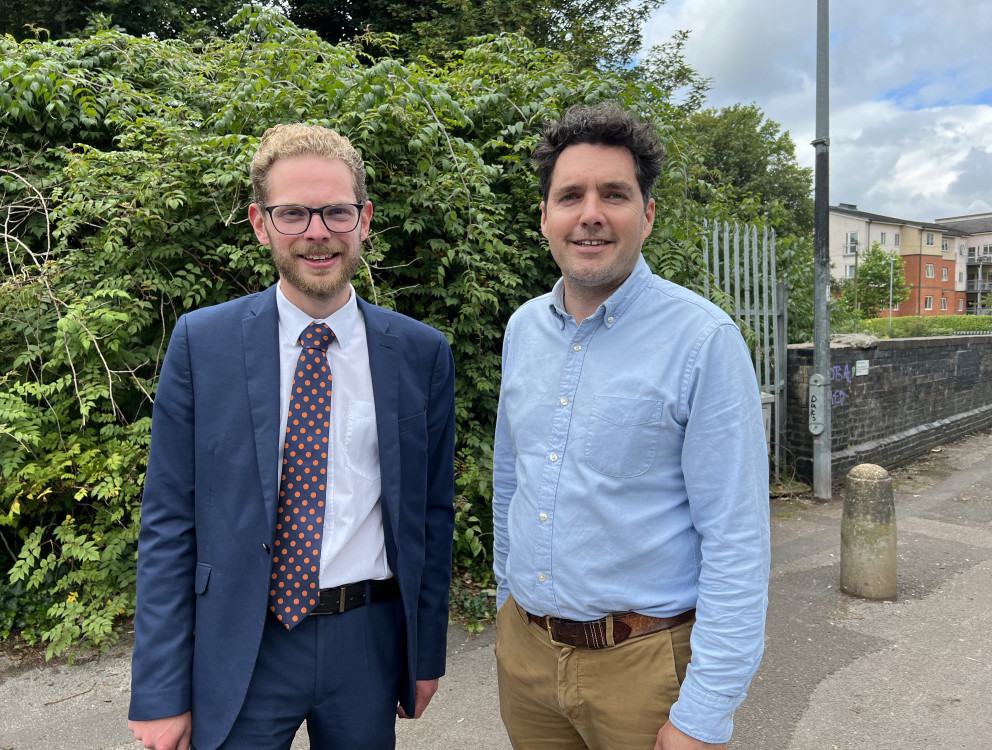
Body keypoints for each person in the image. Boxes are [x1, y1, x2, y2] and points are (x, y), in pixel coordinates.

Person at [127, 124, 456, 750]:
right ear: (259, 223)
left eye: (336, 211)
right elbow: (168, 520)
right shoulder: (204, 344)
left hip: (367, 642)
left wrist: (426, 654)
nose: (317, 232)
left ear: (363, 219)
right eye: (292, 213)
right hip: (241, 644)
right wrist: (160, 690)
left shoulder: (420, 353)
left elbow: (430, 517)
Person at [492, 102, 770, 750]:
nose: (590, 212)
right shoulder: (522, 329)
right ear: (545, 218)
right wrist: (506, 605)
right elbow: (513, 476)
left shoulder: (703, 341)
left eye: (613, 194)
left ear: (647, 213)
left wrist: (703, 713)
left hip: (643, 671)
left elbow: (736, 540)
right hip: (527, 659)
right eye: (570, 196)